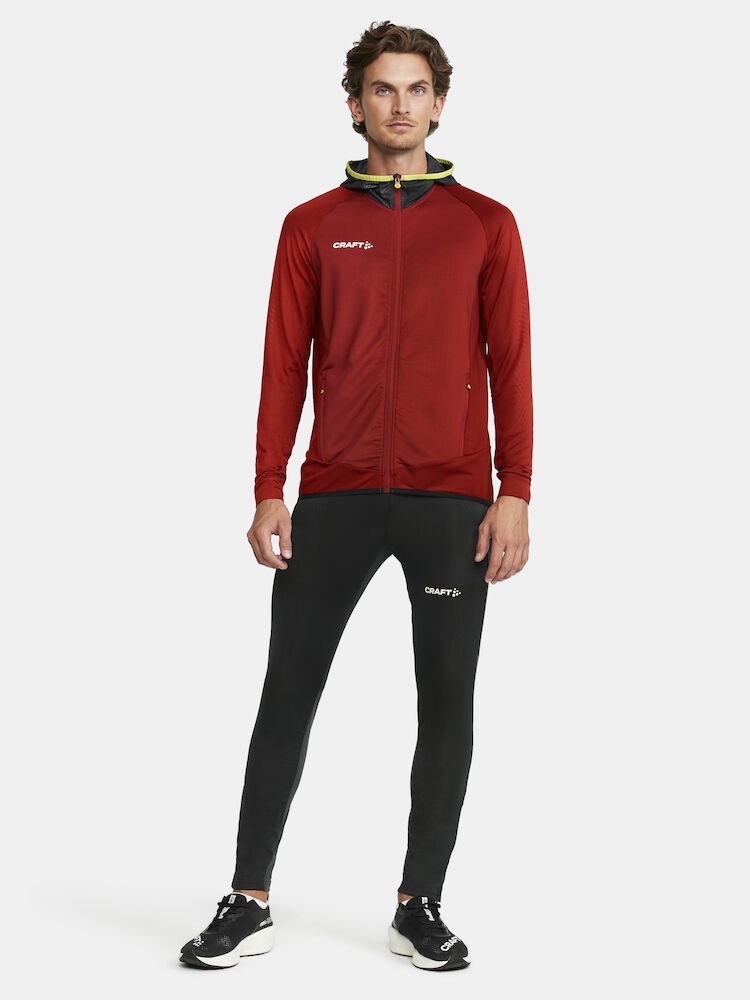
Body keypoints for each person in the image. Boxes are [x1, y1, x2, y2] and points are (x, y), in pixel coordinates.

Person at [179, 19, 533, 974]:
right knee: (287, 691)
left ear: (439, 104)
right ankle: (248, 897)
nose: (400, 105)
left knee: (446, 700)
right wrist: (268, 487)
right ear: (355, 103)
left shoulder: (486, 224)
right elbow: (281, 363)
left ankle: (420, 903)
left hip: (451, 499)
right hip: (332, 493)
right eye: (383, 88)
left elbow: (512, 363)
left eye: (417, 89)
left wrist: (516, 490)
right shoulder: (310, 225)